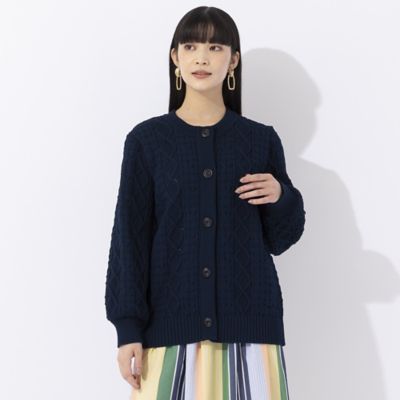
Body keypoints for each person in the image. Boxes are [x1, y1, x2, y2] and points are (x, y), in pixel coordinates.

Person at [105, 6, 306, 400]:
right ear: (175, 57)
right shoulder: (147, 142)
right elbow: (129, 240)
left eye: (215, 47)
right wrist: (128, 329)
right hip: (168, 331)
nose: (201, 58)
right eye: (191, 46)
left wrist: (282, 197)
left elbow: (281, 239)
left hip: (250, 334)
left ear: (233, 61)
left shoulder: (259, 140)